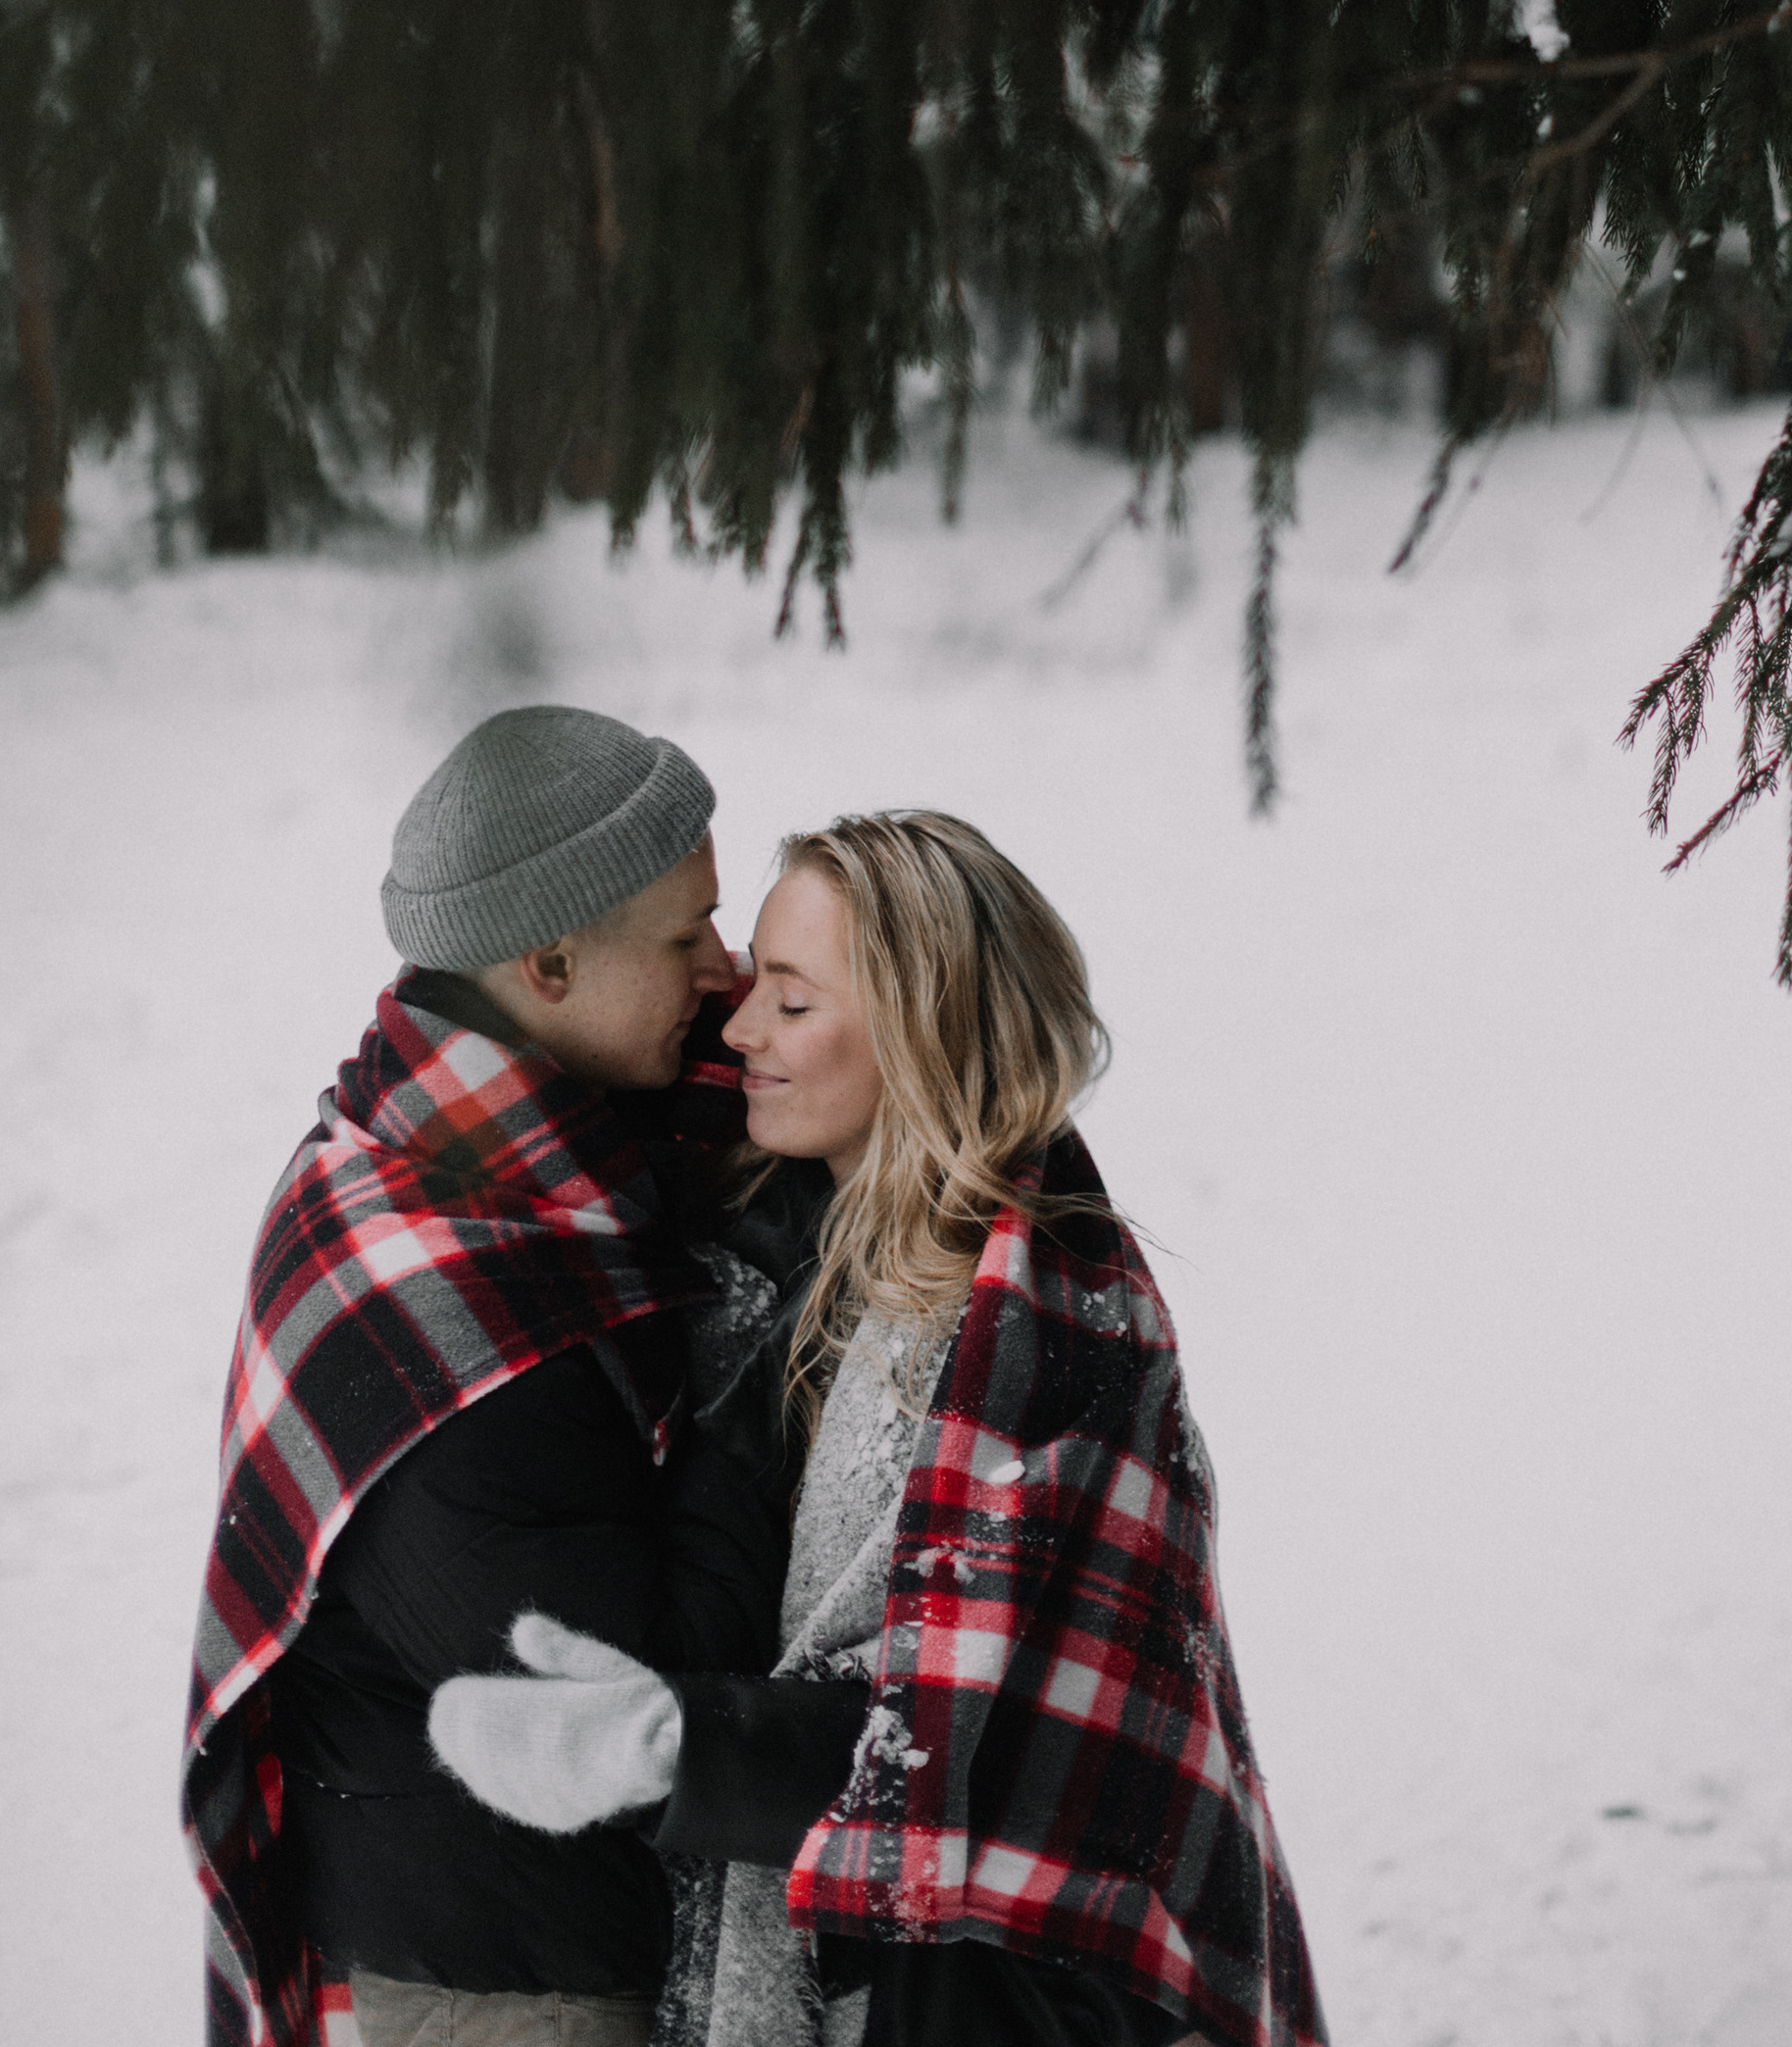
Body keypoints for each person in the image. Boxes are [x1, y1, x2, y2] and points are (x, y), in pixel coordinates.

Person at [431, 809, 1326, 2047]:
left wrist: (670, 1745)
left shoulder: (1039, 1335)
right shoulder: (813, 1260)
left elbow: (985, 1734)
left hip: (1014, 1993)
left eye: (790, 1003)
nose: (738, 1025)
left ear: (920, 1033)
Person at [183, 703, 782, 2047]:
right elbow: (632, 1701)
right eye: (687, 936)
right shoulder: (440, 1308)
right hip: (519, 1991)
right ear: (551, 965)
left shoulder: (484, 1165)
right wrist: (770, 1369)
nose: (726, 969)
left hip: (546, 1943)